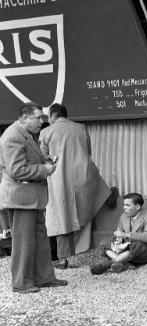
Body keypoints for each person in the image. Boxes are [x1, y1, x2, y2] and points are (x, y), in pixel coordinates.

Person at [0, 102, 67, 293]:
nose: (41, 121)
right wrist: (44, 169)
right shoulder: (13, 137)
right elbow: (16, 170)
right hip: (21, 198)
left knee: (39, 238)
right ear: (24, 118)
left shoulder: (24, 134)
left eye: (42, 117)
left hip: (30, 197)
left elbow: (25, 161)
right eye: (37, 117)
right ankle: (21, 283)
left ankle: (44, 278)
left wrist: (44, 161)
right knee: (23, 241)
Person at [39, 103, 112, 269]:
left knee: (59, 219)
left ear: (52, 116)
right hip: (82, 178)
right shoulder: (81, 128)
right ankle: (108, 197)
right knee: (83, 209)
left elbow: (42, 160)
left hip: (58, 181)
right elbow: (88, 153)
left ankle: (61, 258)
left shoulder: (46, 132)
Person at [90, 193, 147, 274]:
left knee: (137, 245)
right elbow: (119, 234)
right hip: (125, 249)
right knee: (105, 242)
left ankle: (109, 263)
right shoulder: (123, 216)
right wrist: (116, 240)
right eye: (124, 205)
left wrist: (126, 235)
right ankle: (122, 263)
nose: (124, 207)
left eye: (127, 205)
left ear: (137, 207)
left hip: (144, 251)